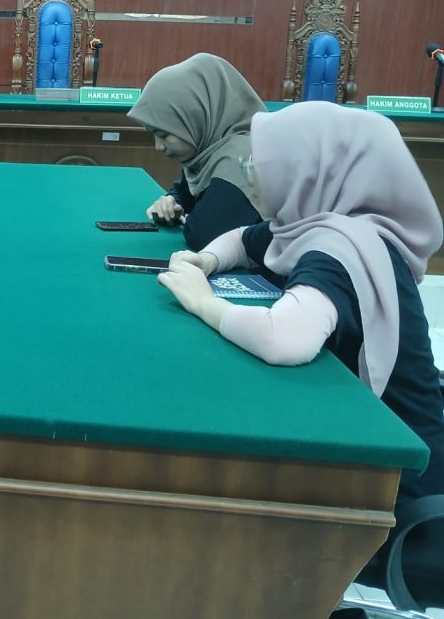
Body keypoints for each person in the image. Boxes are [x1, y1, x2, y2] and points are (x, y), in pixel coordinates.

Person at [158, 100, 444, 508]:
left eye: (260, 166)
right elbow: (244, 239)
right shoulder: (319, 224)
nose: (252, 176)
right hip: (376, 447)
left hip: (398, 486)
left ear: (310, 171)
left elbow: (283, 339)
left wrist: (204, 302)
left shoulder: (341, 247)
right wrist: (206, 260)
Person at [127, 53, 267, 251]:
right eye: (154, 134)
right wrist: (173, 202)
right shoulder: (212, 147)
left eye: (165, 134)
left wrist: (188, 215)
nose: (158, 146)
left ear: (198, 118)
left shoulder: (241, 155)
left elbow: (205, 234)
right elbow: (186, 189)